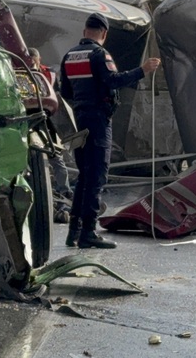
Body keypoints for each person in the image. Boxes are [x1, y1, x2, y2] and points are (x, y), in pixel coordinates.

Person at [59, 13, 161, 248]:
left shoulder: (69, 56)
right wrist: (143, 70)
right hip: (98, 121)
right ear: (104, 34)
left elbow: (65, 92)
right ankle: (88, 233)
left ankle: (73, 232)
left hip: (80, 121)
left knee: (84, 177)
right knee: (96, 177)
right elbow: (113, 80)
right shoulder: (99, 54)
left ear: (85, 31)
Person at [28, 47, 75, 223]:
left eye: (34, 59)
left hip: (47, 122)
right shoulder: (19, 74)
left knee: (57, 158)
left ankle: (64, 191)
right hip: (28, 122)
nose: (31, 62)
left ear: (39, 59)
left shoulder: (48, 74)